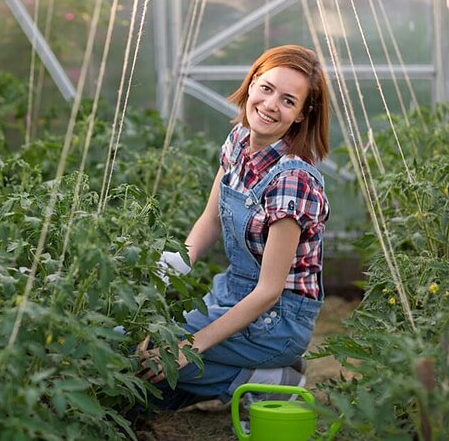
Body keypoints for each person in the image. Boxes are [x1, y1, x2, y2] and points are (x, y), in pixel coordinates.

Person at [138, 44, 330, 411]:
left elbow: (269, 292)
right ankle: (233, 375)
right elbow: (210, 220)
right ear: (253, 81)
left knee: (155, 357)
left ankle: (269, 381)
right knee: (144, 366)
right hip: (231, 294)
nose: (271, 105)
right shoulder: (240, 141)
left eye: (289, 101)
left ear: (302, 115)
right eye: (267, 88)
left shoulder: (292, 180)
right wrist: (174, 267)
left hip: (277, 321)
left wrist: (189, 348)